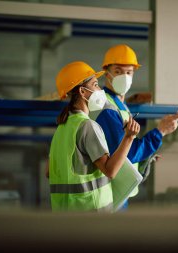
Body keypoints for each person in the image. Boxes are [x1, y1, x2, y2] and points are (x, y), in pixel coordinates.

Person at [90, 44, 178, 209]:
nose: (124, 77)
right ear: (106, 72)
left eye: (129, 72)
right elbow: (129, 153)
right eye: (118, 71)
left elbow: (121, 149)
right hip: (108, 195)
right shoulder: (106, 107)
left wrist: (146, 158)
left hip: (117, 192)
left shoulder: (119, 105)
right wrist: (161, 130)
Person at [48, 61, 140, 212]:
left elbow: (48, 172)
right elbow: (110, 171)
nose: (100, 89)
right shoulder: (87, 126)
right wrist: (129, 137)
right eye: (95, 84)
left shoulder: (61, 128)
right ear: (83, 92)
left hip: (64, 214)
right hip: (91, 213)